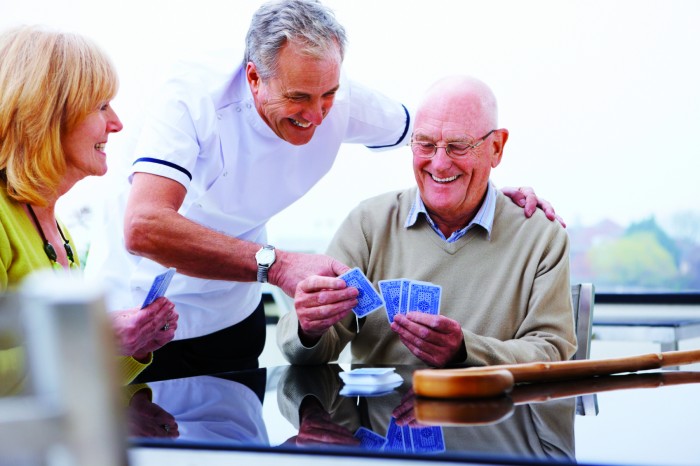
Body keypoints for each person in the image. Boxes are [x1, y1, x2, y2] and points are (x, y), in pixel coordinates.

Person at [86, 0, 560, 381]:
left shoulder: (339, 99)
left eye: (328, 95)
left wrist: (487, 181)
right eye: (298, 98)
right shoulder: (190, 100)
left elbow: (438, 140)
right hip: (140, 318)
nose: (316, 114)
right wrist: (281, 266)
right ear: (254, 77)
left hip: (232, 314)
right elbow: (144, 227)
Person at [277, 75, 576, 367]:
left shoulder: (540, 236)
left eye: (459, 146)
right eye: (425, 144)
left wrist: (465, 351)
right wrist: (308, 328)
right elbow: (312, 351)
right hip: (379, 414)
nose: (440, 163)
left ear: (496, 147)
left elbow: (553, 349)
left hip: (496, 414)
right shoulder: (369, 224)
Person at [0, 25, 178, 386]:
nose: (116, 123)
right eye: (101, 106)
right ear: (48, 113)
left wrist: (132, 348)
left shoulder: (55, 226)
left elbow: (72, 380)